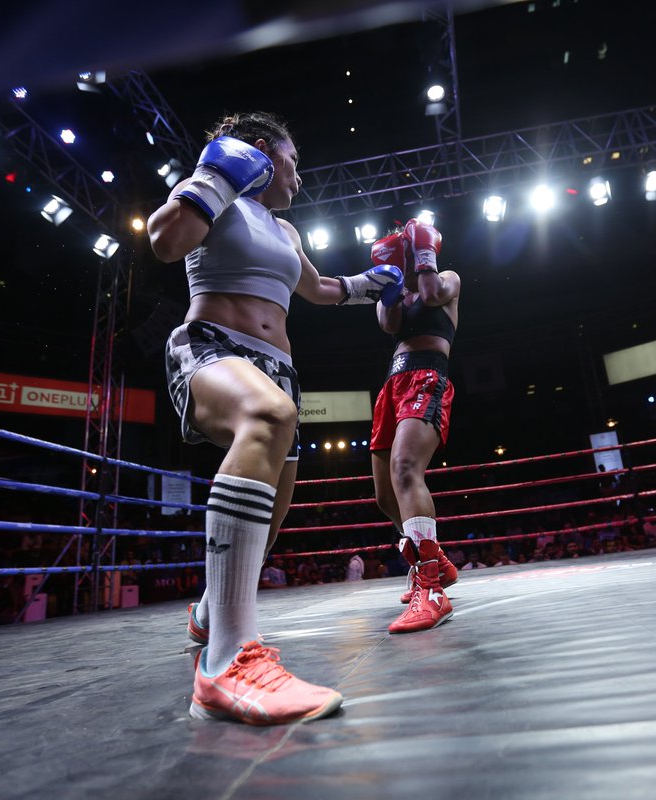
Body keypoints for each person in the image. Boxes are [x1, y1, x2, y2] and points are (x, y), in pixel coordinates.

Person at [148, 111, 399, 725]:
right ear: (260, 151)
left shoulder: (285, 230)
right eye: (293, 162)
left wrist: (374, 284)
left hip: (278, 365)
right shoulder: (216, 191)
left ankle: (210, 610)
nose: (300, 177)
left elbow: (318, 290)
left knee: (270, 521)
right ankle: (224, 665)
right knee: (266, 413)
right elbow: (164, 242)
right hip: (211, 347)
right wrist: (216, 175)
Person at [369, 218, 461, 634]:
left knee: (407, 469)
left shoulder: (447, 279)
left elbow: (431, 292)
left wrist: (424, 254)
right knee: (385, 494)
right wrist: (390, 280)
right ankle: (434, 558)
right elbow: (388, 324)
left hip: (427, 375)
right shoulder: (397, 289)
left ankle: (431, 587)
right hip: (392, 384)